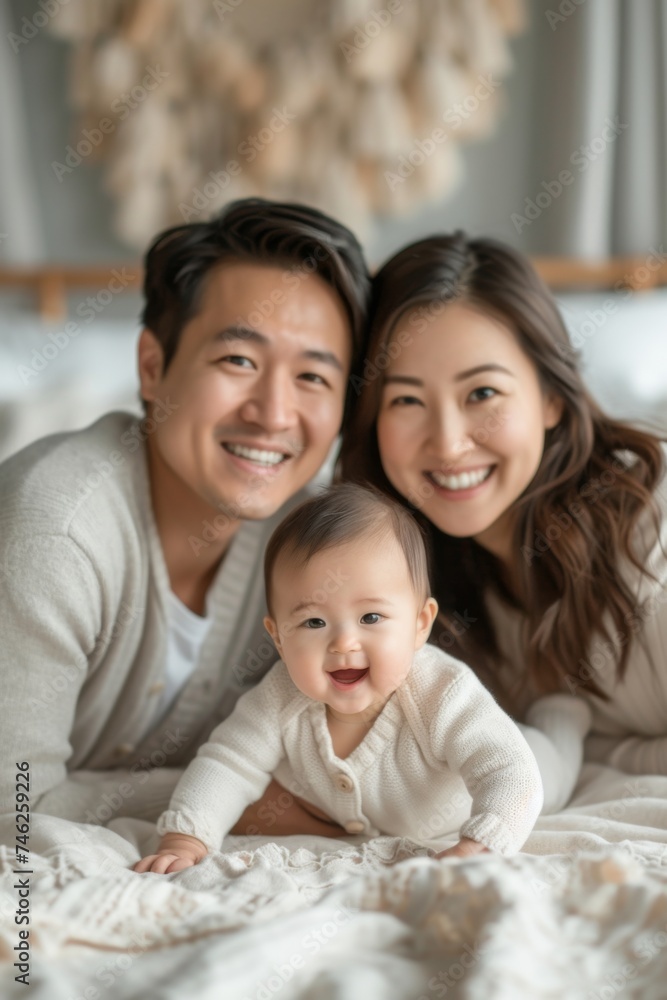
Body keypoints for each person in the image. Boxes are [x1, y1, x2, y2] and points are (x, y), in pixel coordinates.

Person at [0, 198, 370, 835]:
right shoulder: (55, 534)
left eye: (312, 376)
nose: (275, 414)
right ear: (152, 367)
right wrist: (237, 801)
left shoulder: (311, 549)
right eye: (239, 361)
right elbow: (12, 803)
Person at [340, 232, 667, 794]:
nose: (447, 444)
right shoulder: (422, 586)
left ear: (551, 397)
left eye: (482, 393)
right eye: (407, 400)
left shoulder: (647, 527)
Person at [134, 483, 545, 874]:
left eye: (371, 617)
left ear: (420, 624)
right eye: (313, 621)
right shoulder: (281, 695)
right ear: (277, 637)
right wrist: (185, 839)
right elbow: (228, 763)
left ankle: (563, 720)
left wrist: (479, 846)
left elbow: (512, 773)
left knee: (548, 752)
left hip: (526, 761)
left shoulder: (442, 692)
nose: (344, 643)